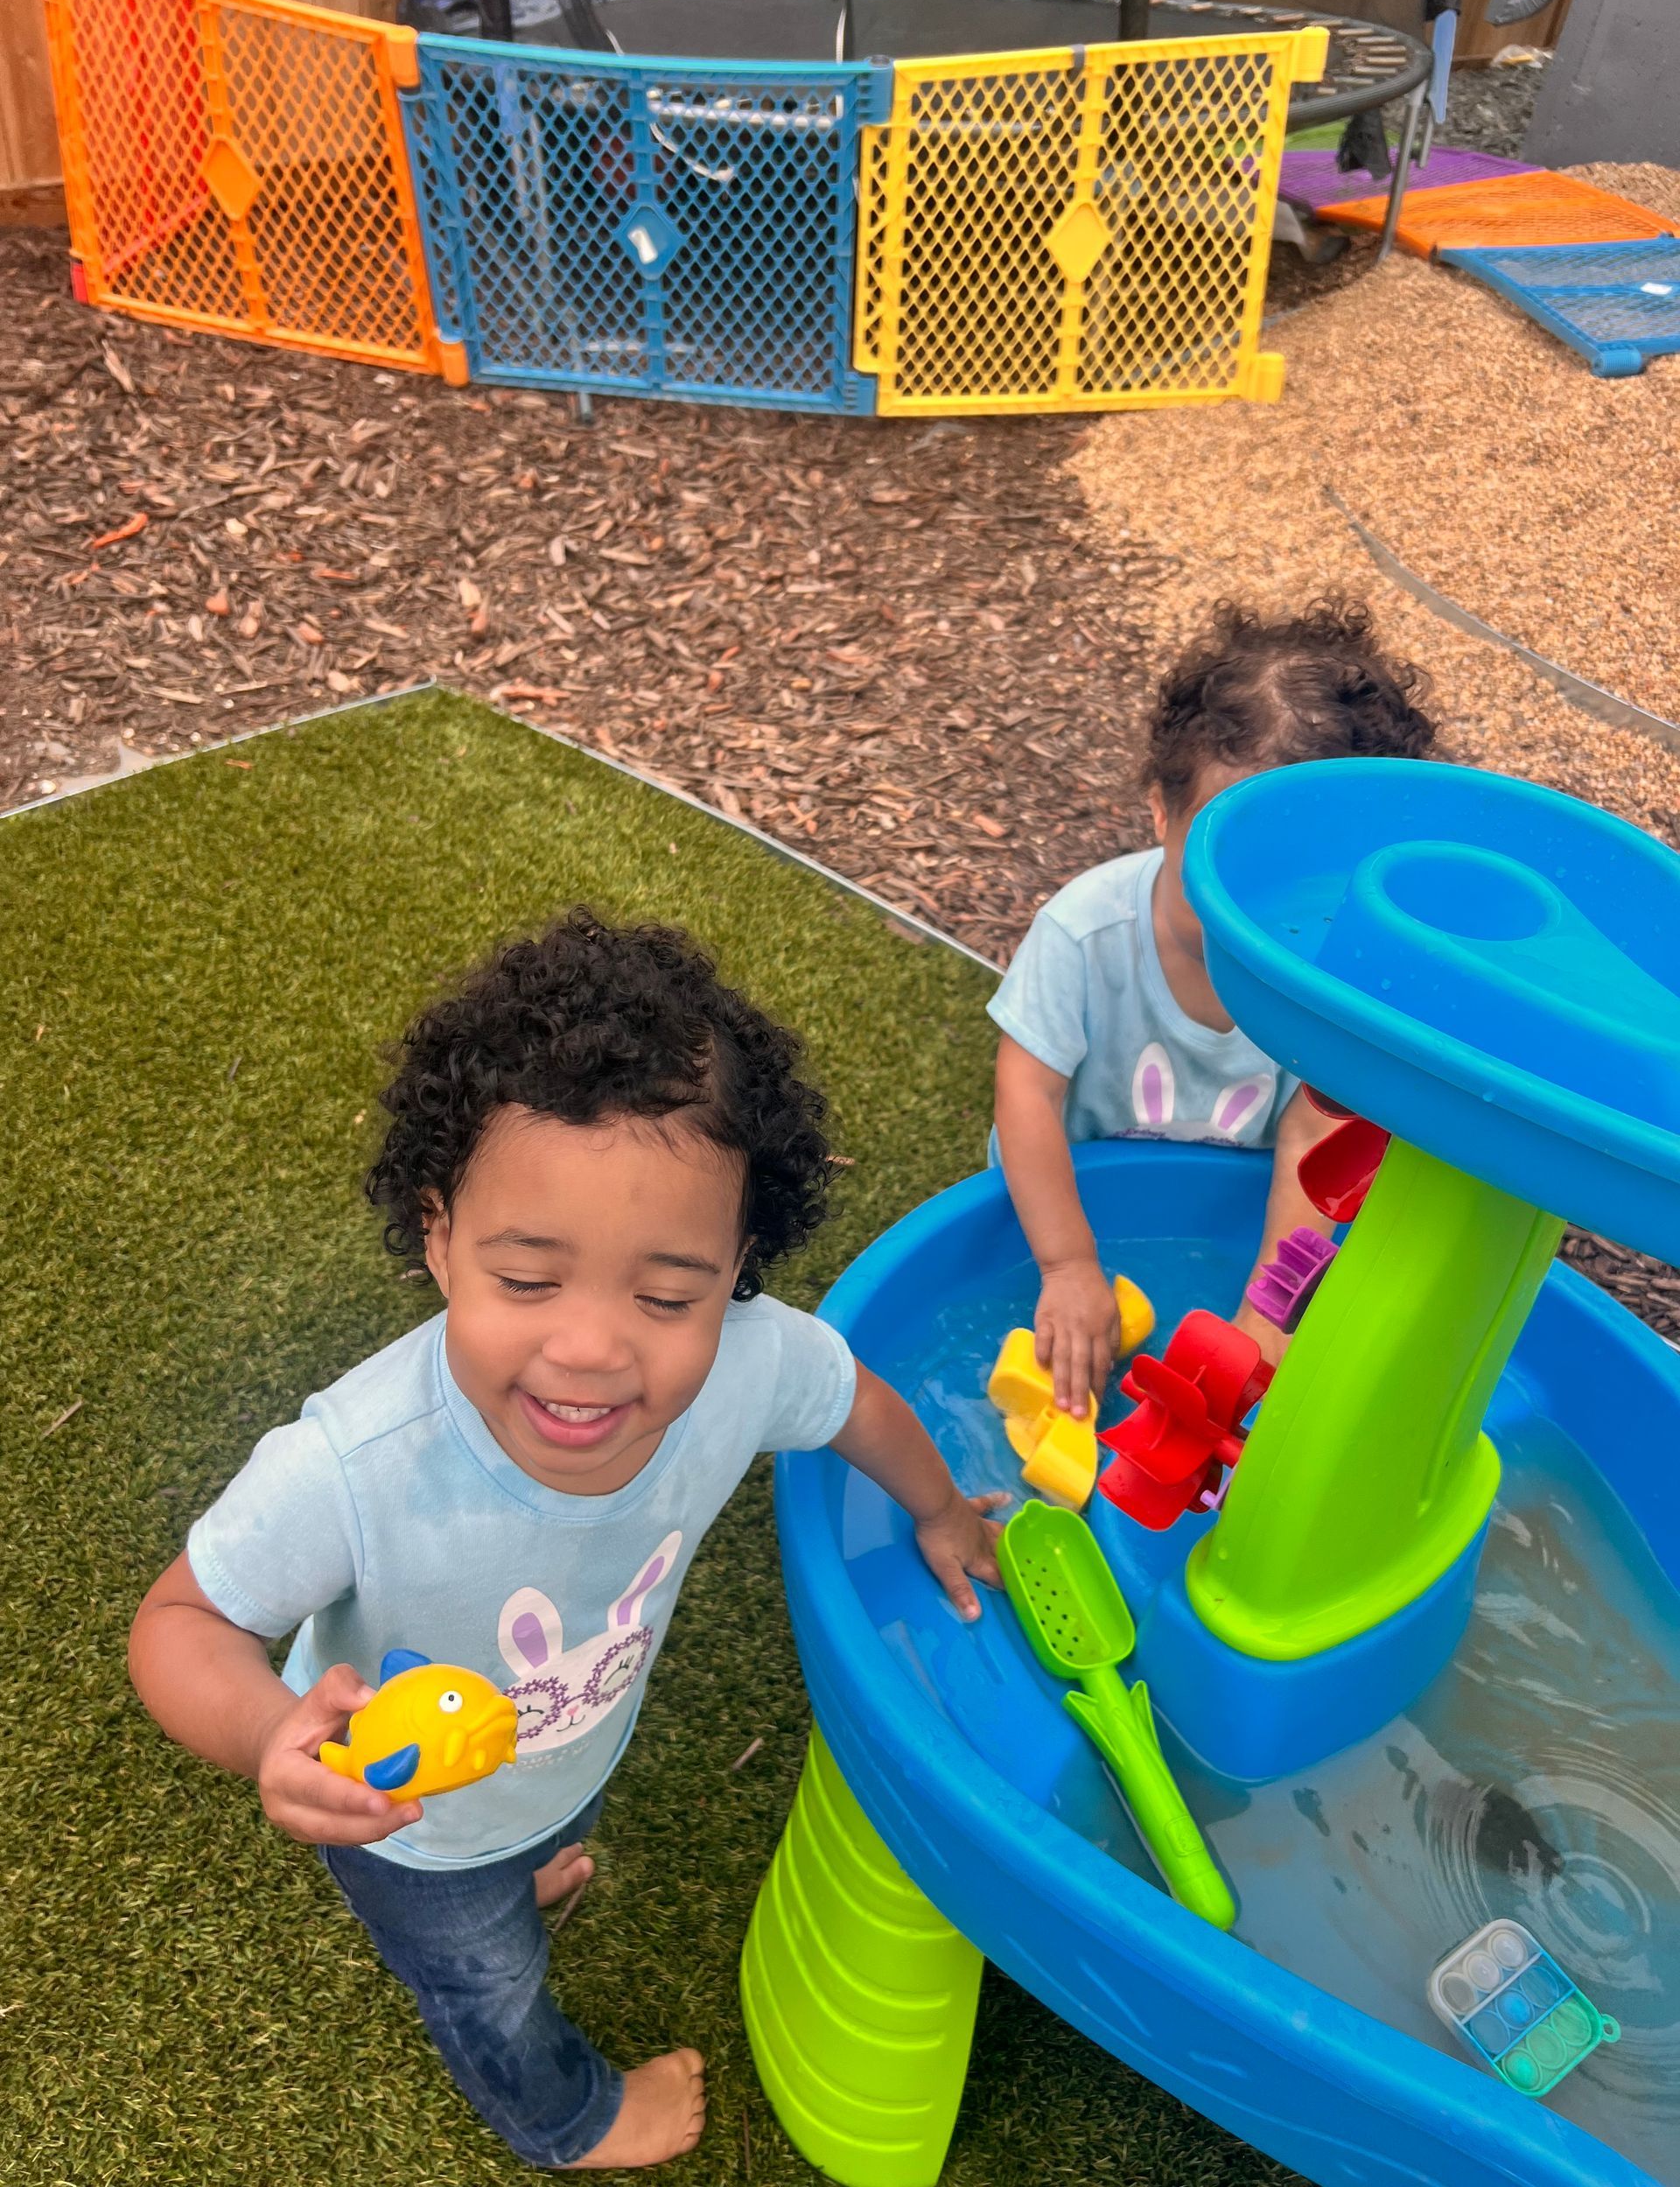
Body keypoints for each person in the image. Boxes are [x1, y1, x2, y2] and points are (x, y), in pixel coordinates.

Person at [129, 912, 1003, 2171]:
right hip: (412, 1828)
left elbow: (853, 1400)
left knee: (536, 1838)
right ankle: (564, 2119)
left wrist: (939, 1506)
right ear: (437, 1235)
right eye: (528, 1279)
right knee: (483, 1986)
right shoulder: (353, 1465)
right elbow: (182, 1624)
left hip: (565, 1743)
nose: (592, 1349)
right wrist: (271, 1732)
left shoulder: (752, 1364)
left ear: (739, 1267)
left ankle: (524, 1869)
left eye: (666, 1295)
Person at [990, 599, 1437, 1412]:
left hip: (1237, 1204)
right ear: (1160, 811)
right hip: (1069, 1196)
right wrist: (1066, 1264)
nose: (1249, 914)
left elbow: (1314, 1130)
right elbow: (1028, 1091)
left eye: (1292, 878)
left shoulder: (1331, 979)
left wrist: (1266, 1316)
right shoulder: (1085, 934)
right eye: (1222, 862)